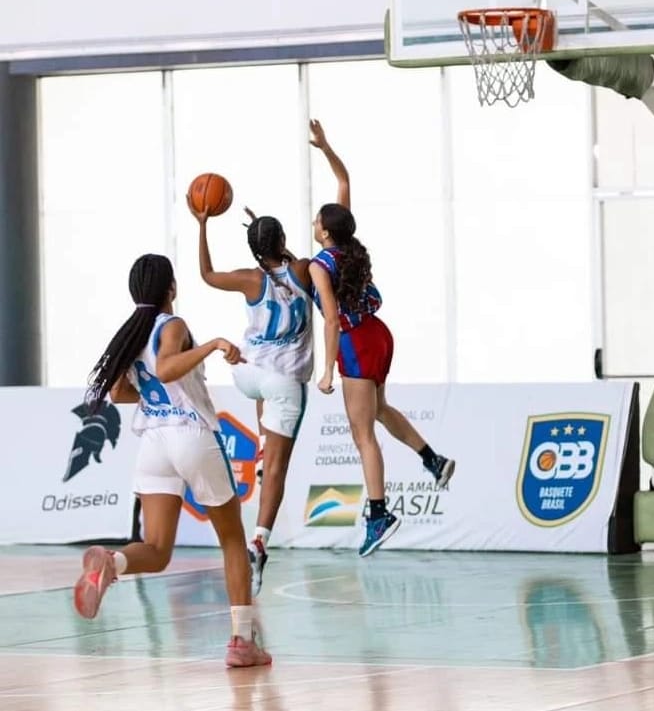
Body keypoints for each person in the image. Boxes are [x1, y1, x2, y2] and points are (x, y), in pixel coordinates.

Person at [72, 253, 271, 669]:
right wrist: (214, 344)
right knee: (233, 540)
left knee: (157, 550)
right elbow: (164, 370)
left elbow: (122, 395)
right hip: (190, 435)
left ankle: (113, 562)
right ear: (171, 289)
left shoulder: (133, 332)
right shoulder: (172, 325)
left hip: (154, 443)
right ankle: (240, 642)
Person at [308, 119, 456, 557]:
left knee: (362, 435)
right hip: (380, 336)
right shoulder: (351, 244)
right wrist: (326, 146)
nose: (314, 222)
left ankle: (378, 513)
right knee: (380, 410)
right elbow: (344, 179)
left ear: (326, 231)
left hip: (355, 343)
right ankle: (433, 459)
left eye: (317, 220)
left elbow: (331, 320)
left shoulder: (320, 264)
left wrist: (326, 373)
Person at [188, 201, 313, 597]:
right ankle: (259, 541)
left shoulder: (249, 279)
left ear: (254, 251)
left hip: (246, 373)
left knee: (264, 392)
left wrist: (203, 225)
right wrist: (270, 239)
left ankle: (260, 450)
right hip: (283, 382)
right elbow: (292, 264)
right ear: (284, 242)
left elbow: (206, 274)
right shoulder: (304, 268)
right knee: (277, 469)